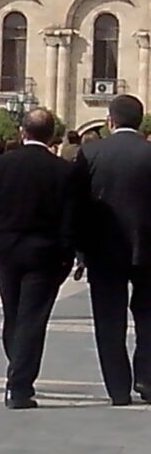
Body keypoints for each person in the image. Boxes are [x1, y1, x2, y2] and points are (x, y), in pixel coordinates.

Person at [0, 108, 77, 409]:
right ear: (52, 137)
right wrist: (68, 253)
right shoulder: (64, 171)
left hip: (6, 251)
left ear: (23, 132)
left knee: (13, 313)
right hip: (45, 253)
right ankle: (19, 385)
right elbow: (71, 220)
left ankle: (16, 366)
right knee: (33, 317)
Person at [74, 95, 151, 406]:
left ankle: (118, 388)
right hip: (148, 251)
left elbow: (77, 205)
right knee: (149, 317)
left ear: (111, 121)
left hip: (103, 251)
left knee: (108, 320)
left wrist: (79, 251)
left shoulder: (91, 152)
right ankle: (146, 378)